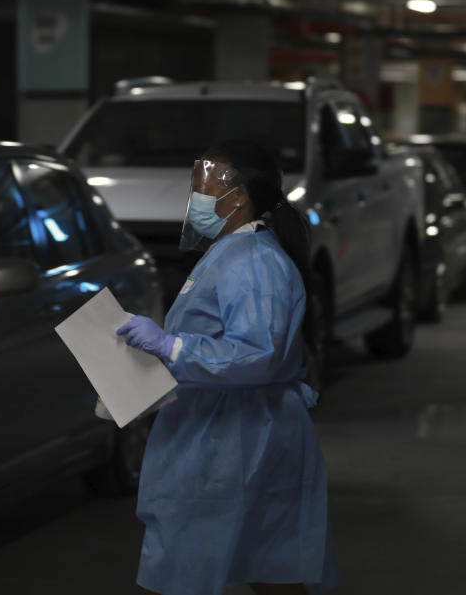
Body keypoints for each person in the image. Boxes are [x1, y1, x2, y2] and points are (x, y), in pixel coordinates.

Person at [116, 139, 337, 595]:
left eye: (200, 187)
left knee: (186, 559)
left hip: (233, 438)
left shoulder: (253, 261)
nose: (193, 199)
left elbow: (257, 352)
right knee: (267, 562)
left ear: (236, 197)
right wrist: (139, 379)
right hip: (230, 428)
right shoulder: (232, 254)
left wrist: (171, 347)